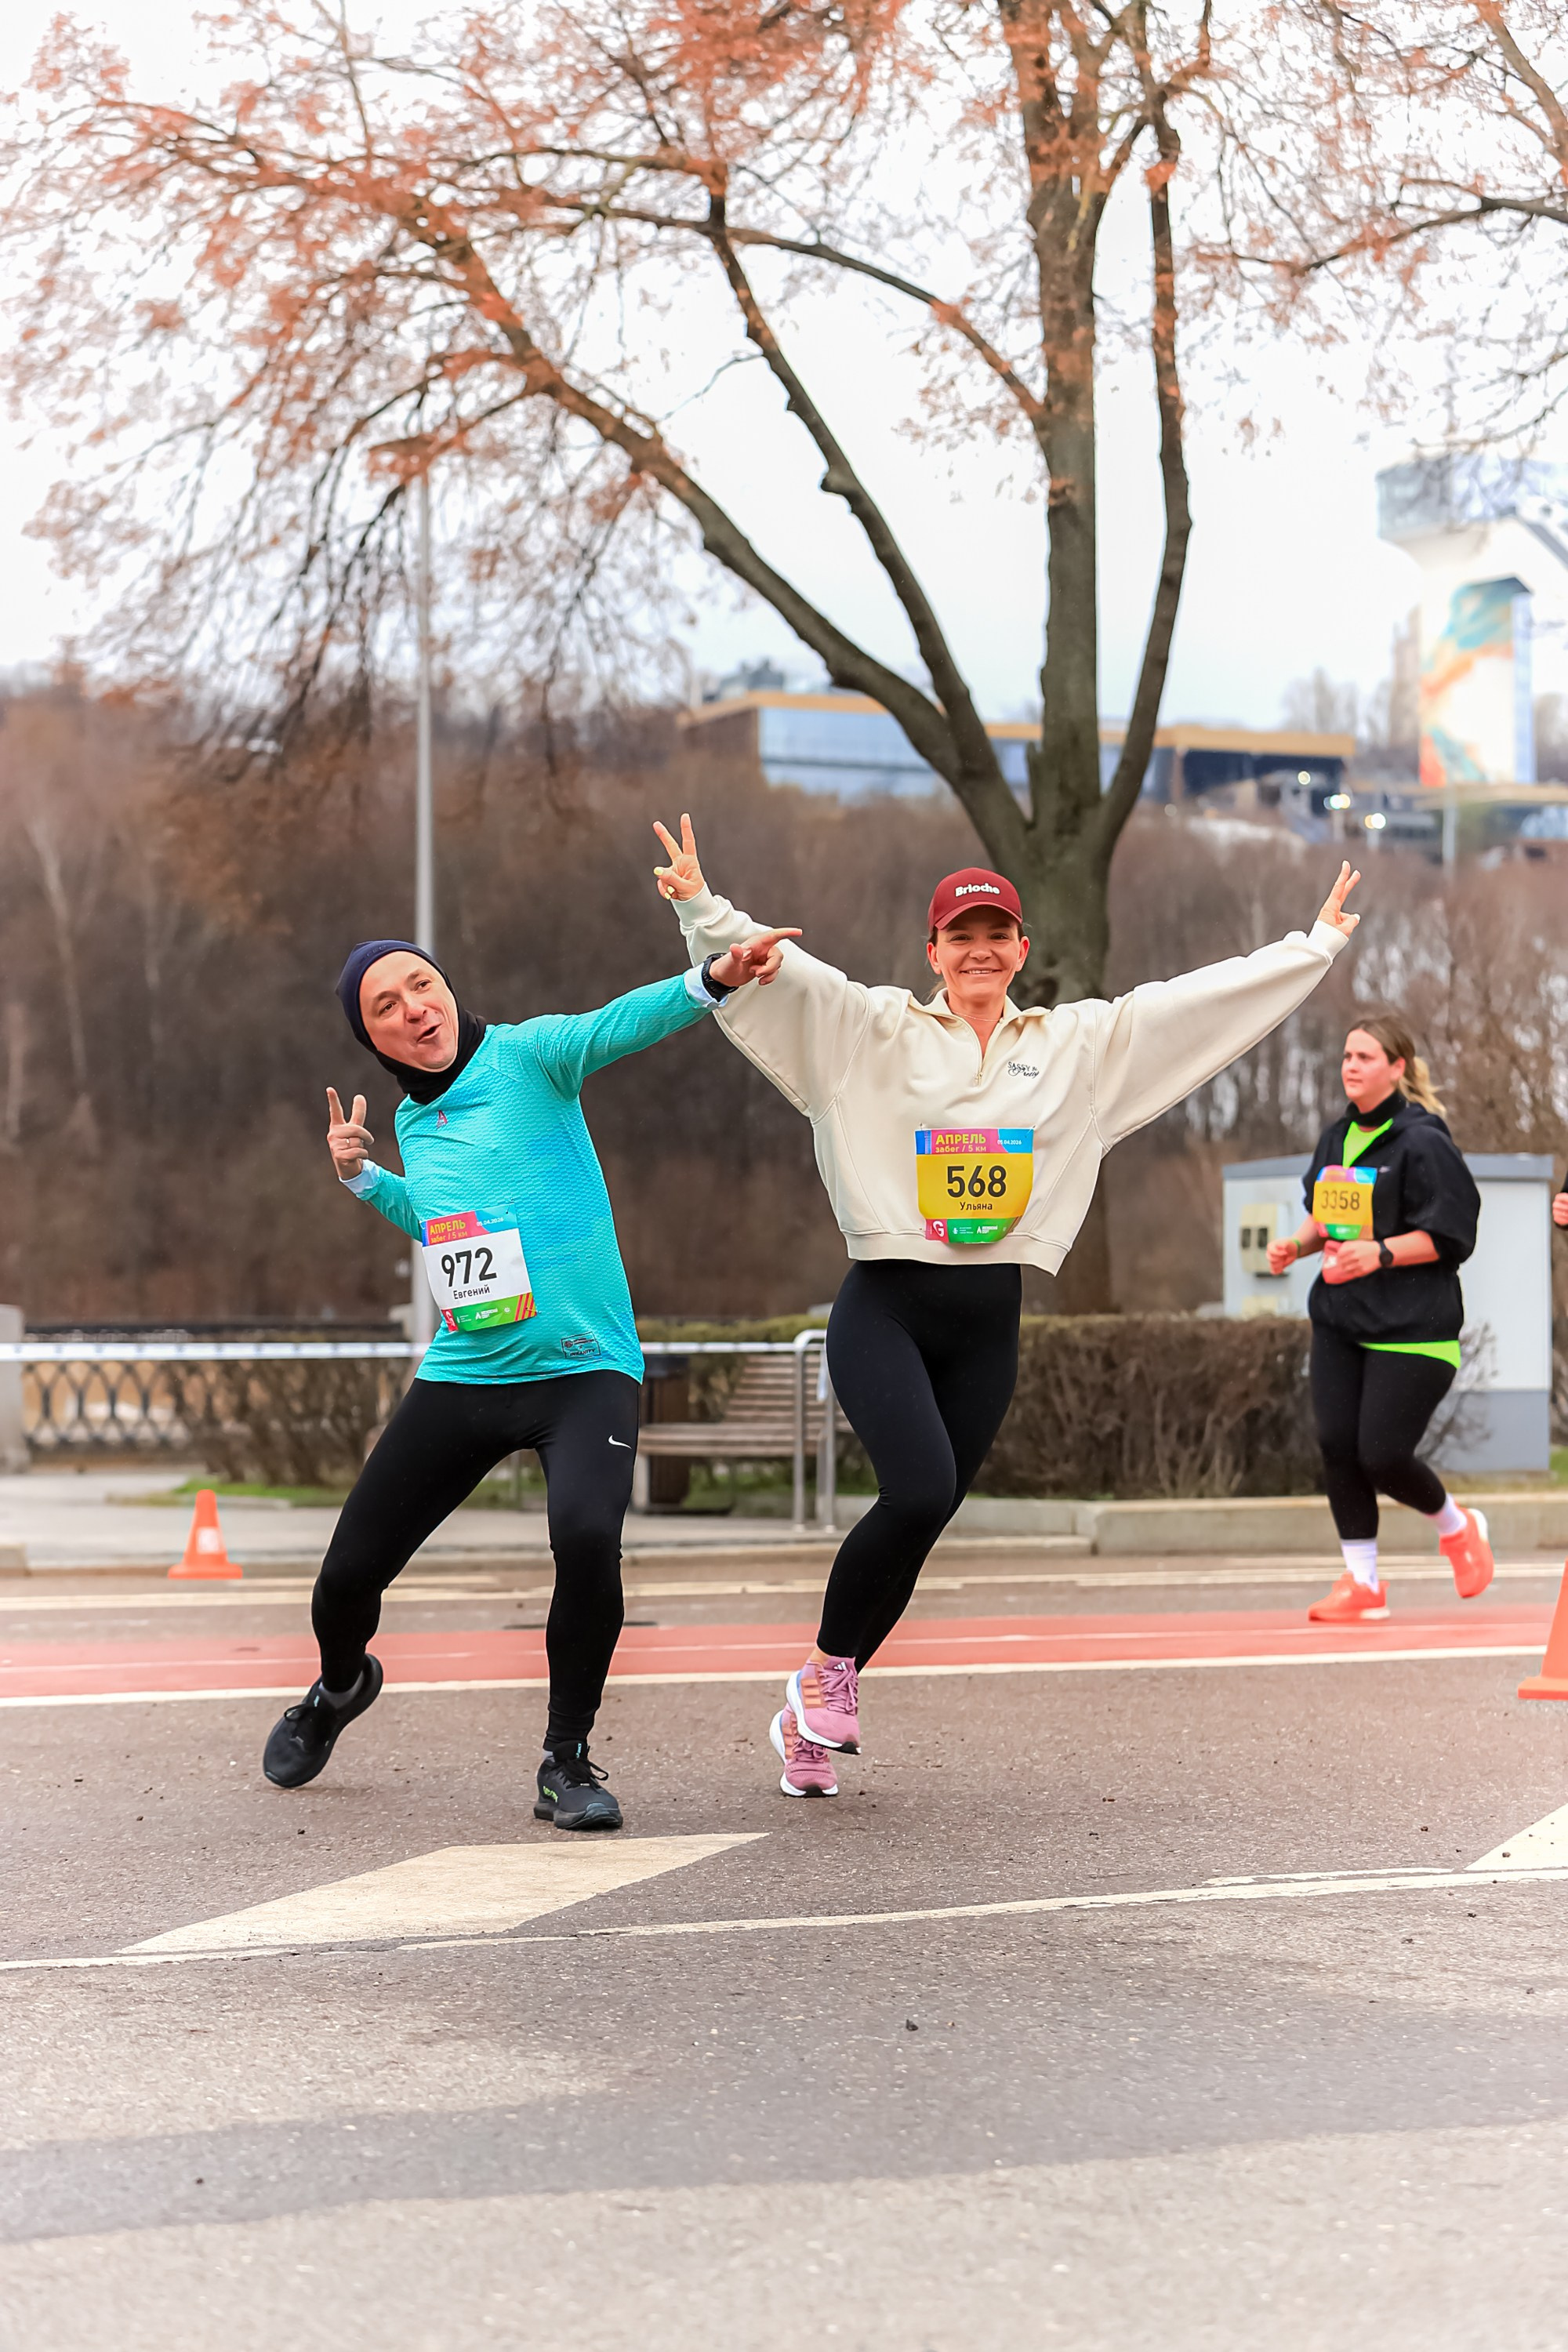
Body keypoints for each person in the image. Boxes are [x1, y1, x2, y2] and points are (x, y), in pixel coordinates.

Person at [652, 814, 1363, 1798]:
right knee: (914, 1487)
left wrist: (1310, 947)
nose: (978, 951)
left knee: (930, 1507)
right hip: (885, 1305)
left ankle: (811, 1711)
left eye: (995, 936)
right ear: (932, 953)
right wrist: (701, 904)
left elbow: (1191, 1006)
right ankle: (821, 1674)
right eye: (959, 937)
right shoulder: (870, 1030)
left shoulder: (1075, 1044)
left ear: (1019, 951)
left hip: (988, 1316)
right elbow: (779, 975)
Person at [262, 923, 793, 1826]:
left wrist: (715, 978)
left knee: (586, 1536)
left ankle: (567, 1759)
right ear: (373, 1041)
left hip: (585, 1370)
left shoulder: (531, 1055)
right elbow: (448, 1230)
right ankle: (339, 1688)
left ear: (446, 987)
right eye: (384, 1008)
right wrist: (366, 1181)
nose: (412, 1009)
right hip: (469, 1372)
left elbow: (618, 1023)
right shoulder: (411, 1120)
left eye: (418, 985)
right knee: (345, 1578)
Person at [1265, 1015, 1491, 1623]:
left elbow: (1453, 1234)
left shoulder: (1424, 1141)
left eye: (1365, 1057)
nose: (1351, 1066)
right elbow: (1327, 1216)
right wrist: (1297, 1244)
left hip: (1415, 1325)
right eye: (1346, 1056)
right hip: (1342, 1317)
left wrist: (1384, 1252)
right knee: (1338, 1445)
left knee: (1383, 1454)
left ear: (1397, 1067)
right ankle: (1362, 1580)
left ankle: (1458, 1526)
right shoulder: (1337, 1138)